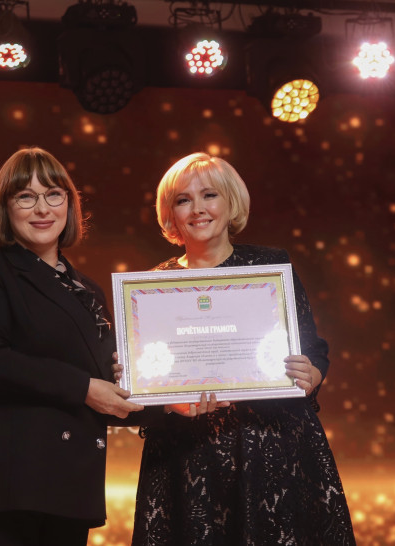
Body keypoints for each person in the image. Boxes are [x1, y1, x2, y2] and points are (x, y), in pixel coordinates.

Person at [131, 152, 356, 545]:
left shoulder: (270, 266)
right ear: (170, 214)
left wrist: (313, 372)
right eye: (183, 200)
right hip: (189, 456)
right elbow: (148, 385)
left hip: (270, 446)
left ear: (231, 202)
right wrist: (150, 389)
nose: (197, 209)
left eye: (209, 195)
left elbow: (312, 347)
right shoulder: (152, 288)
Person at [0, 146, 143, 546]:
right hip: (9, 483)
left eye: (54, 195)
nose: (42, 208)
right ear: (6, 207)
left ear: (69, 204)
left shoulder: (88, 289)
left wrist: (174, 400)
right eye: (26, 196)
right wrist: (84, 388)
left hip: (71, 483)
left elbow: (109, 387)